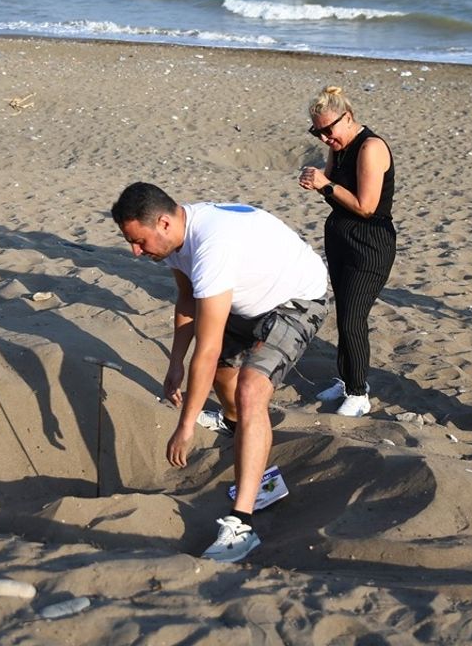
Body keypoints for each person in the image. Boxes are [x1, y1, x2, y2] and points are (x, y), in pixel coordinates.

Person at [111, 182, 328, 562]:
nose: (135, 251)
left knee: (250, 391)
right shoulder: (175, 241)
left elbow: (207, 351)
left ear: (163, 222)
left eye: (139, 241)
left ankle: (242, 522)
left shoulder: (212, 245)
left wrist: (186, 424)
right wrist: (175, 360)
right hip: (246, 300)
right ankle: (237, 427)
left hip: (295, 300)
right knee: (224, 376)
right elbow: (187, 300)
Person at [297, 86, 397, 417]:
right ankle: (345, 380)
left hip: (370, 243)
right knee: (344, 316)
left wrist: (325, 184)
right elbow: (335, 188)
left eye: (329, 129)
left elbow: (366, 207)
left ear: (348, 117)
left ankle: (358, 392)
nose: (325, 138)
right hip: (340, 236)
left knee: (354, 317)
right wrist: (318, 181)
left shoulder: (370, 147)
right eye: (318, 132)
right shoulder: (339, 147)